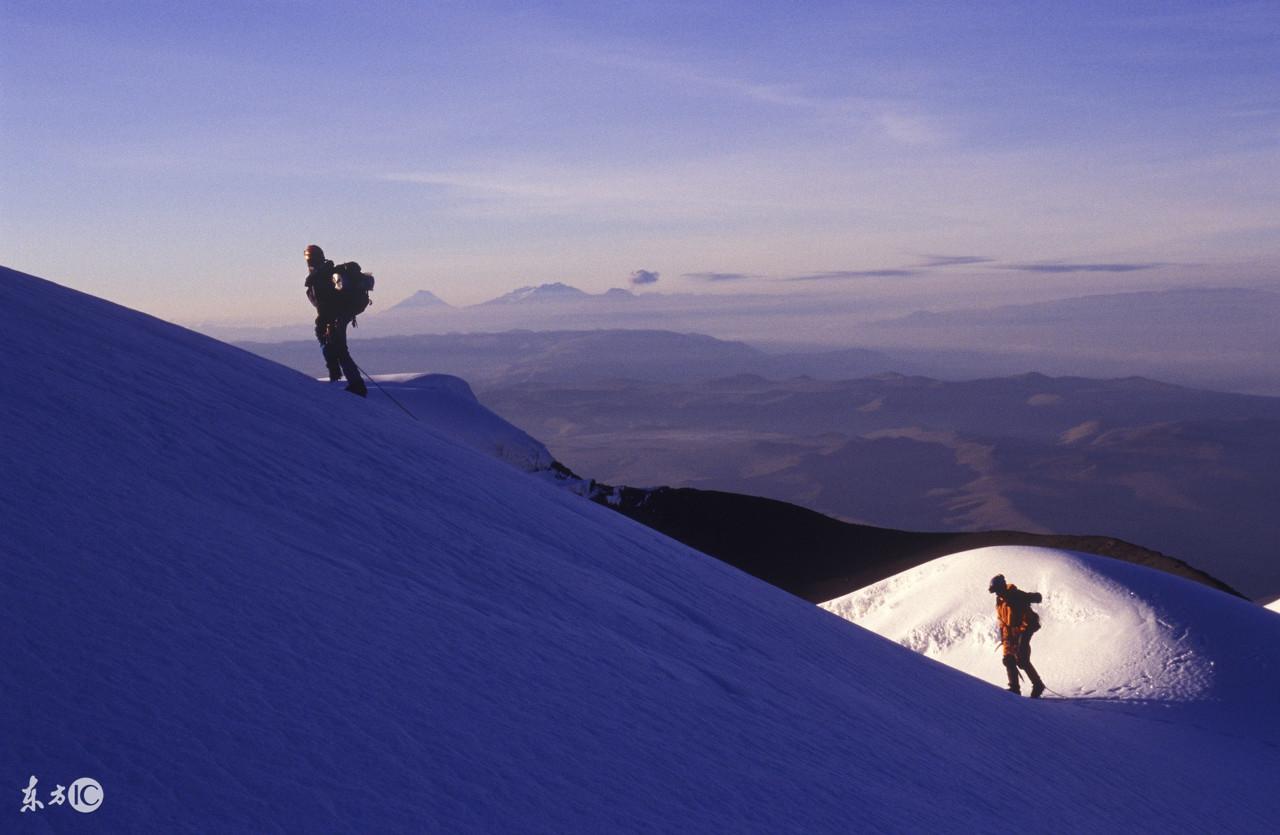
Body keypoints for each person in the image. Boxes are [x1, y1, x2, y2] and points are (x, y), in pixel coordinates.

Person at [303, 244, 367, 397]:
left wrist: (331, 322)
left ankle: (355, 384)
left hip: (335, 316)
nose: (309, 263)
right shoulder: (322, 275)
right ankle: (340, 375)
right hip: (335, 315)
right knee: (333, 343)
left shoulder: (321, 277)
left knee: (338, 347)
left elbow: (328, 302)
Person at [989, 574, 1045, 698]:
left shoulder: (1015, 595)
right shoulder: (1000, 600)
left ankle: (1038, 685)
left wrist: (1022, 635)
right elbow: (1002, 620)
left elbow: (1028, 609)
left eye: (997, 590)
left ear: (1002, 587)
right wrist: (1004, 638)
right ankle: (1014, 689)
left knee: (1022, 660)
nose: (996, 594)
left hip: (1025, 629)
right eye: (995, 592)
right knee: (1008, 659)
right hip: (1010, 633)